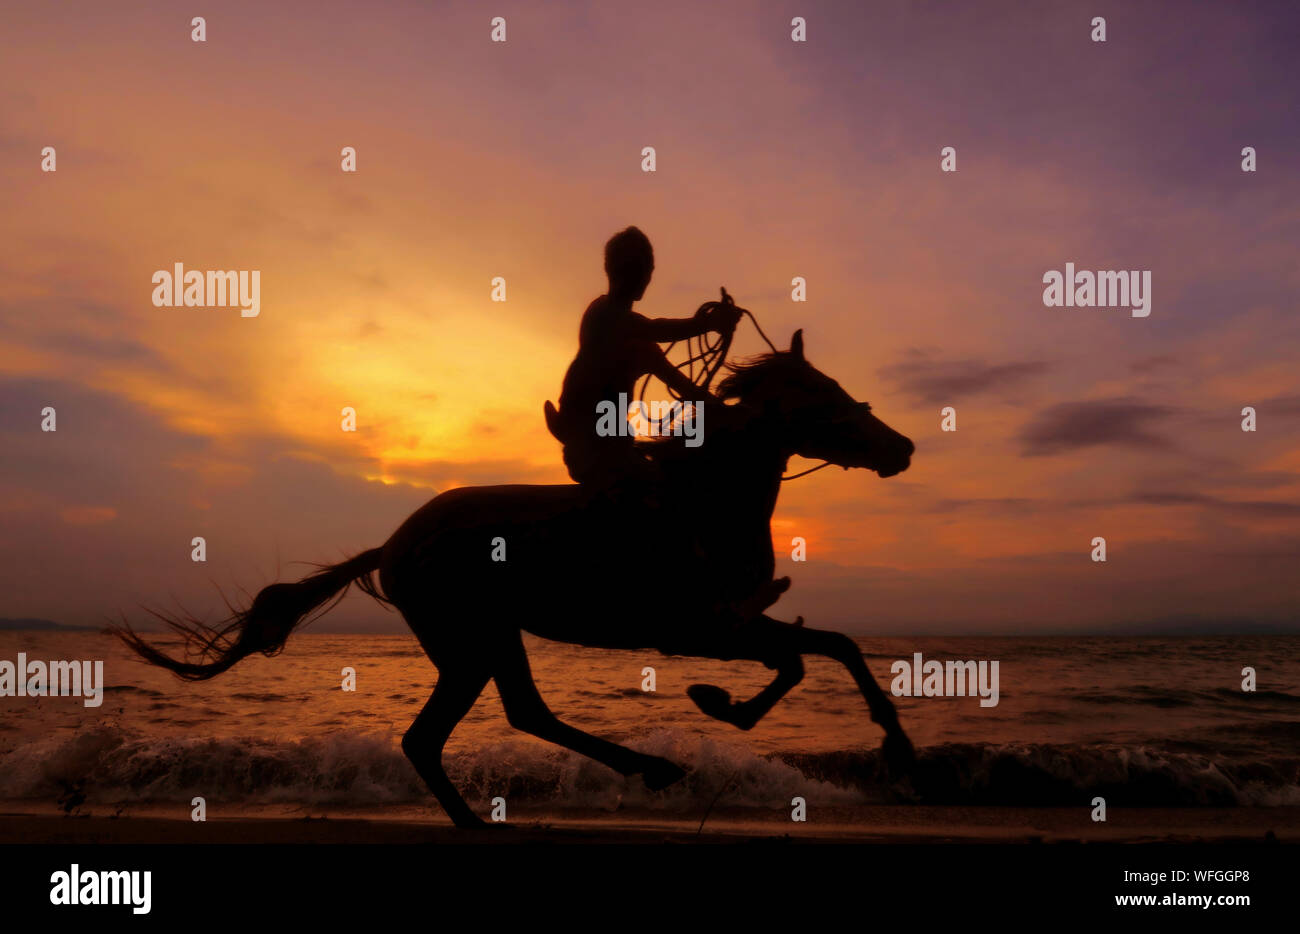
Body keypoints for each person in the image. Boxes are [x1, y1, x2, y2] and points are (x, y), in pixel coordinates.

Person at [546, 226, 740, 494]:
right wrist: (708, 324)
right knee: (664, 492)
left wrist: (724, 412)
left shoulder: (638, 343)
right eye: (639, 271)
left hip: (614, 447)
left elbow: (681, 384)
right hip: (592, 451)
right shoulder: (603, 315)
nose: (642, 278)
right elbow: (657, 329)